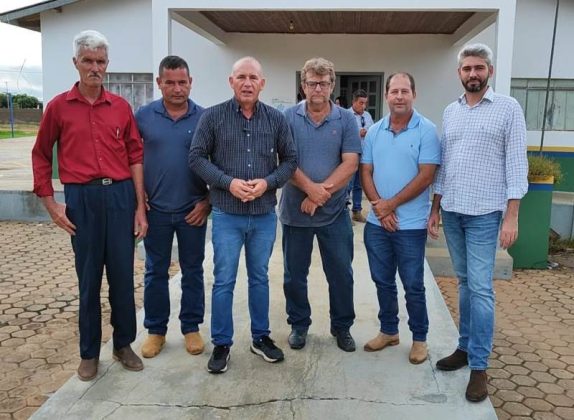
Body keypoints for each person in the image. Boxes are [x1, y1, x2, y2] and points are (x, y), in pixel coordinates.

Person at [31, 30, 147, 381]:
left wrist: (140, 208)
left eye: (100, 61)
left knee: (122, 278)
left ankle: (123, 344)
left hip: (120, 197)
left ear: (107, 64)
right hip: (82, 200)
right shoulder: (58, 107)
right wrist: (51, 204)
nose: (95, 67)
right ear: (76, 63)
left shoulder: (121, 108)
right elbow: (40, 154)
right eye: (88, 61)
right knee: (89, 280)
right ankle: (89, 353)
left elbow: (135, 156)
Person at [428, 43, 528, 402]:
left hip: (486, 213)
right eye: (467, 68)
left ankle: (480, 366)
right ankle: (465, 347)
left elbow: (516, 164)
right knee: (465, 283)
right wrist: (435, 208)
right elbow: (445, 164)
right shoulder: (451, 111)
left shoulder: (508, 108)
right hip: (453, 210)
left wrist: (512, 216)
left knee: (482, 288)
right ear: (459, 73)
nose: (473, 73)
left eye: (479, 68)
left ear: (490, 71)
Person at [189, 56, 297, 374]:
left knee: (259, 278)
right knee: (224, 279)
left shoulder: (276, 120)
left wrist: (267, 183)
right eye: (241, 77)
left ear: (262, 83)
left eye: (253, 78)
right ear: (231, 81)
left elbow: (290, 160)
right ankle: (222, 343)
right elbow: (196, 157)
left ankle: (260, 337)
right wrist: (228, 183)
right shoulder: (213, 117)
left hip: (263, 215)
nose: (247, 83)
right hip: (227, 214)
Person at [280, 57, 361, 352]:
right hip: (295, 213)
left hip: (335, 213)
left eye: (324, 83)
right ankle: (299, 325)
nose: (318, 88)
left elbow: (350, 163)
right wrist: (310, 190)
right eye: (312, 83)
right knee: (294, 276)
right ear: (303, 85)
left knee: (341, 274)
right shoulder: (288, 118)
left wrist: (319, 195)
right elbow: (284, 161)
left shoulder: (346, 119)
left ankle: (342, 327)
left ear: (332, 85)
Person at [360, 73, 440, 364]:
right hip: (377, 225)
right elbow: (365, 171)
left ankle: (419, 339)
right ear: (386, 95)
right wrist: (379, 208)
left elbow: (426, 176)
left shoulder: (427, 130)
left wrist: (389, 205)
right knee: (382, 281)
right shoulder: (375, 131)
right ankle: (389, 331)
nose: (399, 96)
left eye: (405, 91)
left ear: (413, 95)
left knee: (413, 285)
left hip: (410, 226)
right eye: (394, 91)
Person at [135, 56, 209, 359]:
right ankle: (156, 330)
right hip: (156, 211)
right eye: (170, 82)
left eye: (182, 82)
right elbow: (131, 159)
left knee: (193, 270)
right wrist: (138, 199)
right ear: (159, 83)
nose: (177, 88)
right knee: (155, 271)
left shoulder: (205, 118)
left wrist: (208, 202)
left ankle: (191, 327)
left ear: (190, 82)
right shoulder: (143, 117)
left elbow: (219, 163)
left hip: (193, 211)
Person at [348, 89, 374, 223]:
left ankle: (357, 211)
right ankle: (344, 212)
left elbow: (373, 131)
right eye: (361, 103)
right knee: (348, 184)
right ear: (354, 102)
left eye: (365, 103)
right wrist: (358, 133)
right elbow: (344, 133)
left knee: (359, 185)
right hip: (351, 155)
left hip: (364, 156)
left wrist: (368, 132)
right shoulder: (347, 115)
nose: (363, 106)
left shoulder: (367, 115)